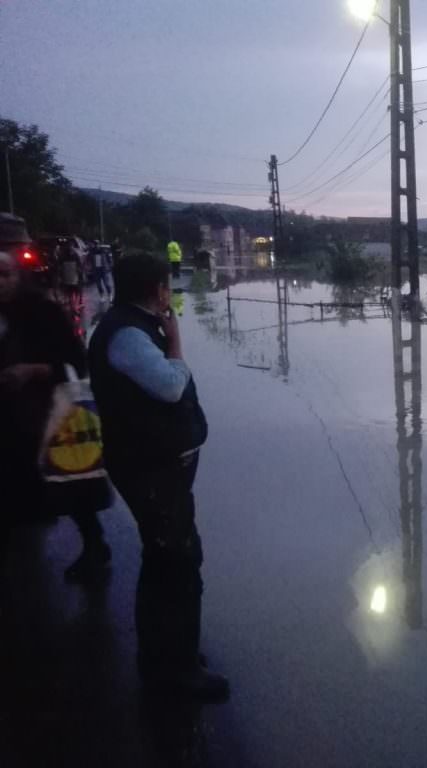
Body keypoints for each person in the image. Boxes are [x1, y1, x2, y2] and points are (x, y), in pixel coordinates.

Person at [88, 254, 228, 701]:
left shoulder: (131, 326)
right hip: (150, 471)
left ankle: (163, 655)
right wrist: (177, 344)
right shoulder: (128, 334)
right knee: (179, 564)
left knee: (163, 559)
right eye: (167, 285)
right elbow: (170, 385)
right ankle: (179, 669)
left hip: (152, 467)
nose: (170, 292)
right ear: (158, 290)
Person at [0, 249, 112, 583]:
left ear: (18, 277)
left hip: (47, 419)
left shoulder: (43, 311)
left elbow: (75, 362)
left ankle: (95, 546)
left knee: (70, 487)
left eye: (5, 275)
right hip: (8, 423)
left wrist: (33, 371)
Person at [58, 241, 83, 309]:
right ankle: (71, 303)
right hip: (67, 276)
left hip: (74, 276)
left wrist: (79, 271)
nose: (70, 248)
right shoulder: (63, 255)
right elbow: (60, 265)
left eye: (71, 246)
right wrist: (61, 274)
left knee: (76, 289)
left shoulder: (75, 255)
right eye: (69, 246)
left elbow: (79, 265)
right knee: (69, 290)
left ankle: (76, 303)